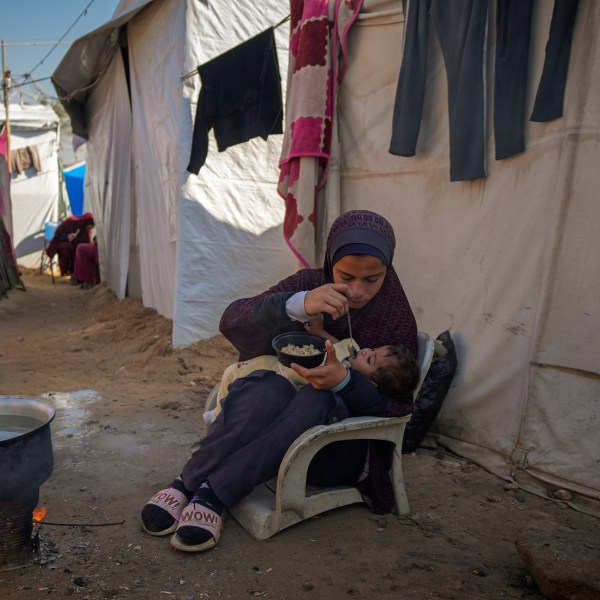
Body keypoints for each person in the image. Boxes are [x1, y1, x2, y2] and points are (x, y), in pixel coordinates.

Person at [141, 209, 417, 552]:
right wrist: (299, 303)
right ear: (330, 261)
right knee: (266, 385)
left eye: (372, 279)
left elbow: (401, 407)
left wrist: (345, 382)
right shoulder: (308, 284)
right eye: (346, 276)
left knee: (318, 397)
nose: (357, 291)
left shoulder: (396, 320)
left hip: (332, 450)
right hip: (274, 425)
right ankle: (188, 482)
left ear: (387, 271)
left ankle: (213, 493)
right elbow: (232, 321)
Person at [204, 322, 420, 426]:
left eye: (370, 359)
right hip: (280, 366)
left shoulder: (345, 383)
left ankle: (219, 414)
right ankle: (219, 411)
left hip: (284, 382)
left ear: (371, 384)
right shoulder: (353, 350)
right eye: (373, 350)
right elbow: (334, 344)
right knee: (232, 371)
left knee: (243, 376)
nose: (366, 351)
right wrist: (317, 332)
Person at [46, 213, 95, 278]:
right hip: (60, 242)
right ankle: (66, 271)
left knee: (81, 248)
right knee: (67, 247)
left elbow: (85, 241)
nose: (89, 229)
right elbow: (58, 234)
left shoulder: (85, 229)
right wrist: (67, 236)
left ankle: (78, 273)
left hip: (74, 244)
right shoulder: (70, 222)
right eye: (89, 227)